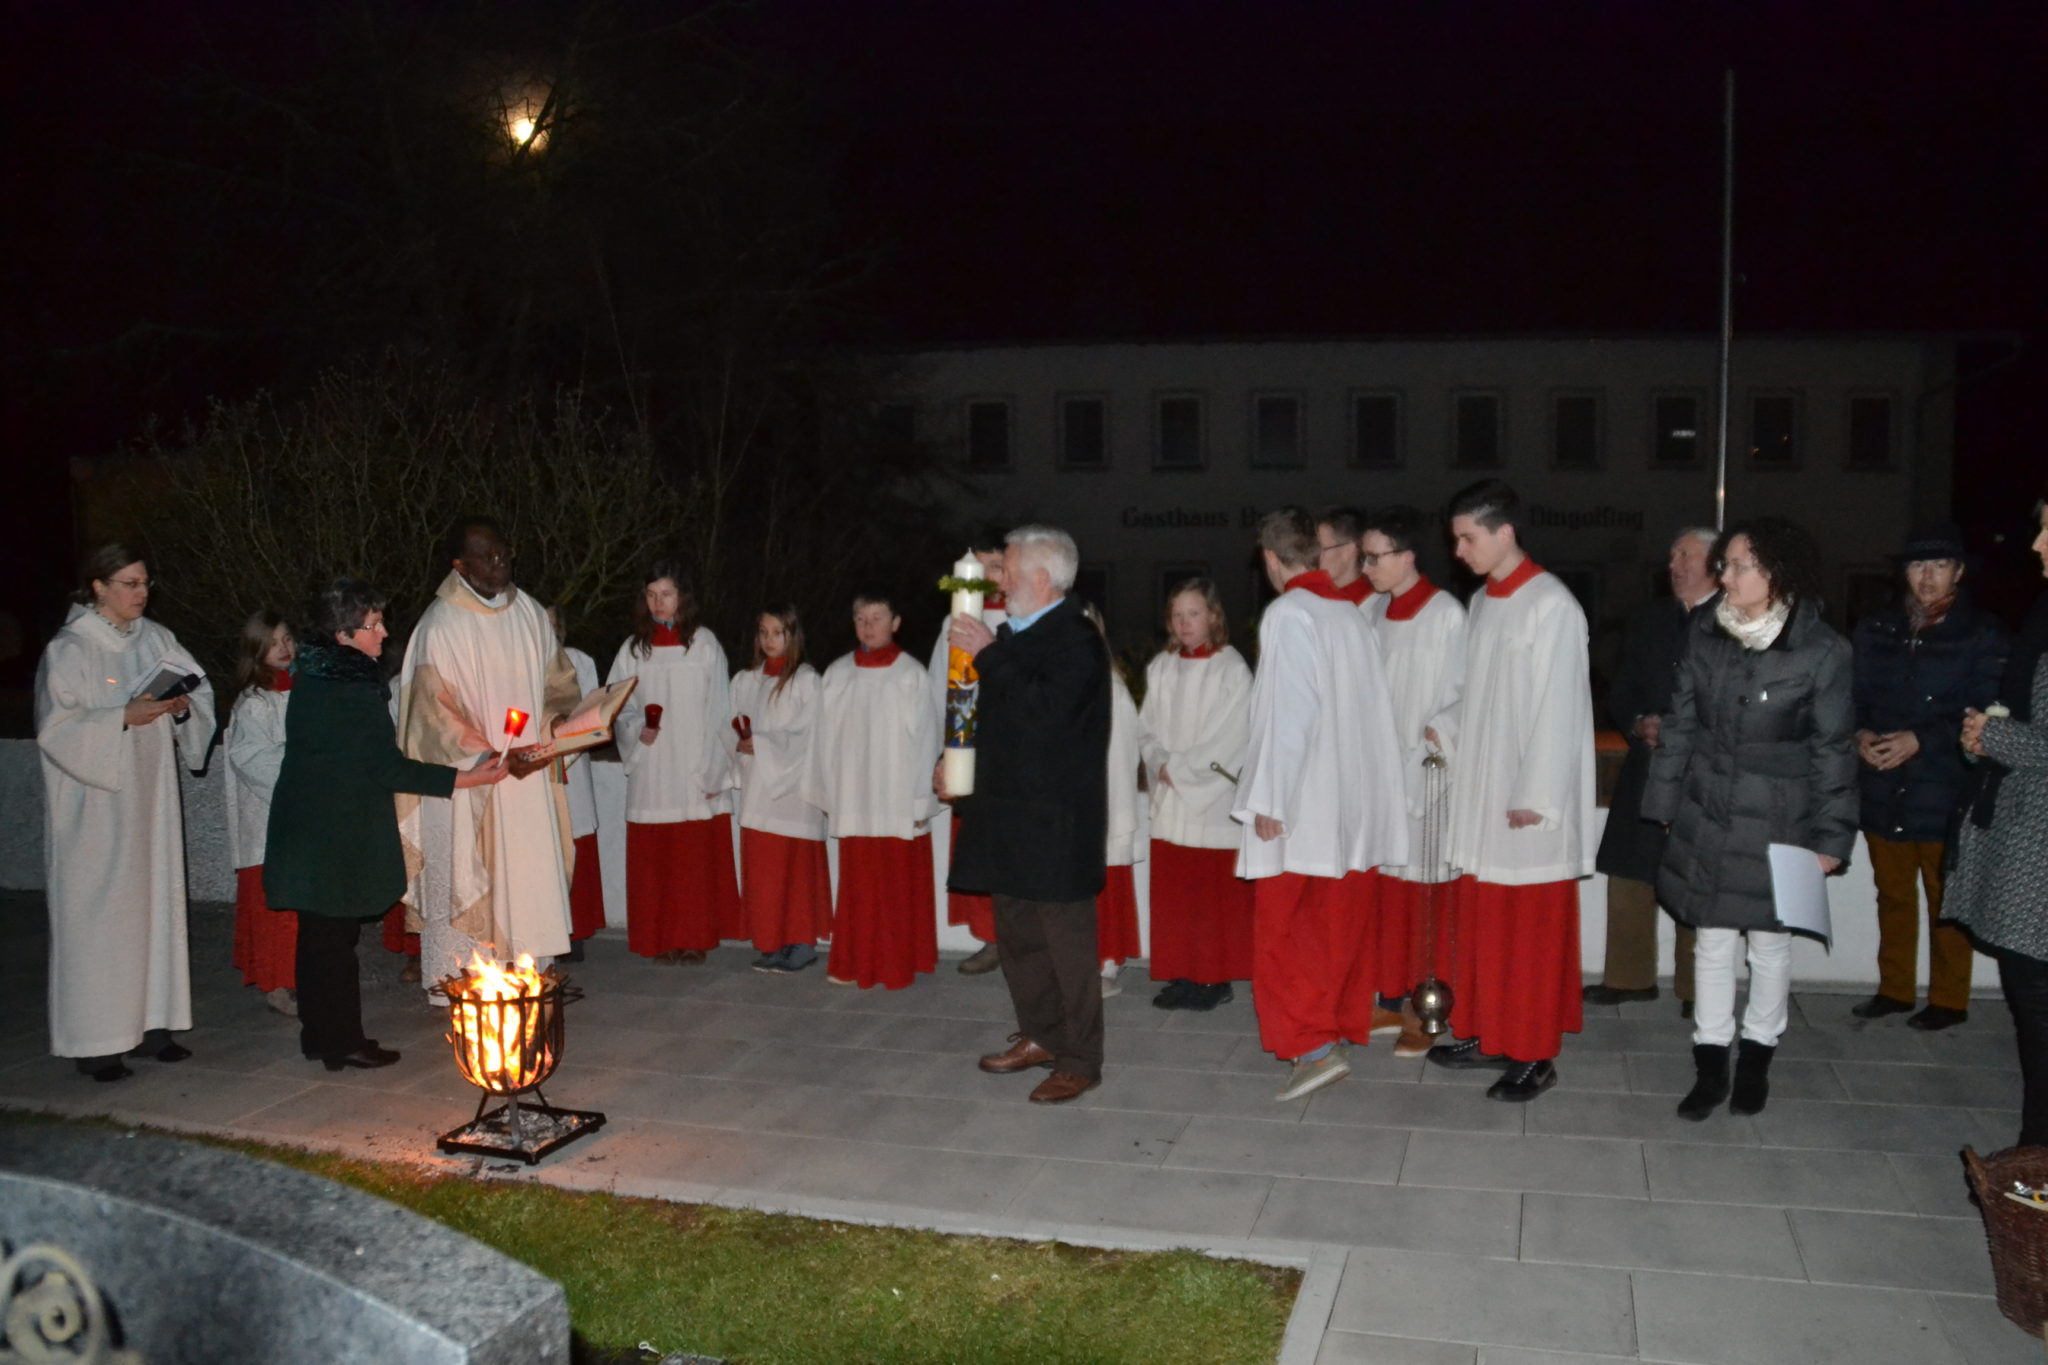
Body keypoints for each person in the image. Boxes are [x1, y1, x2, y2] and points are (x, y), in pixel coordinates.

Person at [1642, 518, 1856, 1120]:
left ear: (1777, 574)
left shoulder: (1823, 650)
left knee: (1769, 944)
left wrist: (1831, 838)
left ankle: (1757, 1058)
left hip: (1782, 820)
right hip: (1708, 808)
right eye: (1725, 564)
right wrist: (1664, 805)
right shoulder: (1705, 633)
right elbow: (1680, 724)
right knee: (1710, 941)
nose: (1725, 576)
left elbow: (1834, 750)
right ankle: (1711, 1065)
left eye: (1739, 566)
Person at [267, 579, 508, 1069]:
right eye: (373, 625)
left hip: (309, 823)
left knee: (319, 938)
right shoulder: (350, 688)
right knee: (334, 943)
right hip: (331, 832)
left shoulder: (315, 673)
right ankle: (343, 1043)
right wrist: (466, 778)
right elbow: (387, 768)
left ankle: (320, 1037)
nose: (384, 633)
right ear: (343, 636)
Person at [1429, 479, 1596, 1102]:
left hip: (1527, 804)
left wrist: (1536, 793)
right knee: (1485, 926)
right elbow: (1479, 693)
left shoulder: (1552, 604)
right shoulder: (1481, 603)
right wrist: (1445, 725)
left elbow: (1561, 708)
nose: (1459, 551)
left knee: (1527, 934)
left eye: (1468, 538)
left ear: (1505, 533)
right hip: (1484, 794)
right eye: (1455, 540)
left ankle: (1534, 1053)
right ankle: (1491, 1033)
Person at [1235, 507, 1409, 1102]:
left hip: (1303, 807)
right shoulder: (1349, 614)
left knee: (1288, 932)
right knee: (1334, 930)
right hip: (1349, 807)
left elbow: (1290, 712)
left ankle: (1310, 1048)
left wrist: (1270, 797)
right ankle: (1331, 1029)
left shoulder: (1291, 613)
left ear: (1271, 560)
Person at [36, 543, 215, 1081]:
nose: (142, 593)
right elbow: (56, 729)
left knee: (155, 907)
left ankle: (153, 1026)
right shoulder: (70, 649)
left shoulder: (157, 638)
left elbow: (200, 690)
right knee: (100, 920)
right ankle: (98, 1044)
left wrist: (181, 709)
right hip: (96, 810)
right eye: (130, 584)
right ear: (98, 587)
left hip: (150, 803)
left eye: (145, 583)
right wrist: (121, 717)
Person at [948, 526, 1112, 1104]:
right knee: (1019, 941)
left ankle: (1081, 1060)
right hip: (1009, 818)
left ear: (1042, 579)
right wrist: (955, 764)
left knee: (1068, 950)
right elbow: (995, 718)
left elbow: (1045, 716)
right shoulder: (1013, 635)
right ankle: (1041, 1035)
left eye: (1011, 572)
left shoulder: (1076, 639)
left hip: (1056, 825)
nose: (1002, 582)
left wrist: (990, 656)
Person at [396, 517, 581, 988]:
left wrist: (558, 725)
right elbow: (431, 714)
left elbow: (558, 685)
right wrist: (489, 759)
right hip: (473, 783)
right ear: (459, 565)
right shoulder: (440, 624)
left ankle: (530, 976)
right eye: (486, 555)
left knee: (529, 880)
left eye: (503, 553)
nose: (499, 563)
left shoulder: (531, 614)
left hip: (530, 775)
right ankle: (474, 986)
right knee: (473, 883)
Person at [1849, 521, 2007, 1029]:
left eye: (1940, 565)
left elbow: (1988, 706)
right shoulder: (1876, 629)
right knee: (1893, 894)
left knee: (1947, 899)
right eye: (1918, 565)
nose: (1928, 577)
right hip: (1883, 784)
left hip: (1947, 786)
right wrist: (1859, 735)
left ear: (1958, 572)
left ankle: (1949, 1000)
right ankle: (1894, 989)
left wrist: (1922, 739)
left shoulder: (1983, 633)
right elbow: (1851, 696)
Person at [1585, 529, 1717, 1016]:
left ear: (1716, 564)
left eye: (1685, 555)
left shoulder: (1733, 620)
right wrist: (1640, 721)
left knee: (1694, 874)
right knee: (1629, 868)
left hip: (1703, 769)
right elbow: (1622, 689)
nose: (1674, 565)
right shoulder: (1651, 619)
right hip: (1647, 763)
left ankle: (1696, 987)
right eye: (1672, 555)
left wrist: (1686, 729)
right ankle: (1629, 977)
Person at [1951, 497, 2048, 1145]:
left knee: (2037, 1006)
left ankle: (2037, 1159)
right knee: (2031, 1006)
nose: (2037, 544)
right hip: (2027, 827)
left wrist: (1996, 737)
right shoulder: (2044, 612)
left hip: (2039, 844)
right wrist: (1985, 734)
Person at [1358, 505, 1466, 1057]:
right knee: (1384, 894)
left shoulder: (1446, 614)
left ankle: (1426, 1010)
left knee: (1424, 895)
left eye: (1375, 557)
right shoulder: (1373, 611)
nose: (1366, 567)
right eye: (1364, 557)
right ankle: (1387, 995)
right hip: (1379, 774)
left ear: (1407, 557)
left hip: (1425, 774)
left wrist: (1437, 732)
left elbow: (1465, 693)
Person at [609, 561, 743, 964]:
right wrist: (637, 730)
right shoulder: (634, 650)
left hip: (691, 766)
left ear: (682, 596)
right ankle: (661, 938)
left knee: (691, 862)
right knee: (658, 862)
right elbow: (616, 706)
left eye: (666, 594)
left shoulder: (703, 645)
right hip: (652, 768)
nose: (658, 603)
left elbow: (720, 708)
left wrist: (714, 770)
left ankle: (694, 938)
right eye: (651, 595)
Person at [808, 589, 942, 989]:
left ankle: (895, 964)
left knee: (896, 886)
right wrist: (828, 794)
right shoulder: (837, 674)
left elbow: (926, 741)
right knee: (859, 886)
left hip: (897, 798)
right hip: (855, 796)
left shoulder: (911, 675)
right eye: (861, 619)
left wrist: (919, 801)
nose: (868, 627)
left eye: (877, 618)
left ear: (895, 623)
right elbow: (823, 739)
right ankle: (855, 960)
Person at [1139, 578, 1254, 1012]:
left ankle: (1213, 978)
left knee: (1209, 896)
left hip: (1211, 800)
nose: (1185, 623)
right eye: (1177, 615)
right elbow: (1144, 728)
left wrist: (1180, 770)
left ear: (1213, 616)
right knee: (1176, 894)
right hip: (1171, 797)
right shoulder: (1162, 666)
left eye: (1194, 614)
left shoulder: (1232, 669)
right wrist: (1158, 761)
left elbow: (1232, 736)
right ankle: (1183, 972)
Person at [731, 605, 831, 973]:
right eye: (764, 632)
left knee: (794, 872)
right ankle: (771, 941)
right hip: (758, 791)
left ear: (793, 635)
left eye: (778, 632)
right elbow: (730, 725)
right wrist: (740, 743)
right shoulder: (746, 681)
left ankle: (800, 943)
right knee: (765, 876)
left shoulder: (807, 681)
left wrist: (762, 743)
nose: (769, 640)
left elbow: (811, 735)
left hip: (794, 795)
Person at [927, 547, 1009, 975]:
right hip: (966, 745)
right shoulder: (954, 622)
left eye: (996, 565)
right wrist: (945, 751)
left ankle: (1017, 936)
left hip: (1008, 749)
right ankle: (990, 936)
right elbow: (940, 686)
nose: (987, 575)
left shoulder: (1020, 619)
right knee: (975, 843)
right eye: (981, 565)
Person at [226, 609, 299, 1016]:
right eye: (272, 643)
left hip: (305, 814)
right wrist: (301, 768)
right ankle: (278, 983)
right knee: (275, 907)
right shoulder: (254, 702)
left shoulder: (306, 689)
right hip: (270, 817)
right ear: (256, 649)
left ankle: (303, 975)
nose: (283, 648)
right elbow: (250, 757)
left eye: (287, 639)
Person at [1085, 603, 1145, 997]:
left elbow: (1123, 756)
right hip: (1070, 808)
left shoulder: (1113, 689)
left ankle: (1106, 960)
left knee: (1105, 884)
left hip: (1103, 803)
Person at [549, 606, 607, 962]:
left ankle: (577, 932)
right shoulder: (518, 662)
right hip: (538, 768)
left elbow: (593, 713)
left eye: (552, 624)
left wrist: (568, 734)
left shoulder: (579, 662)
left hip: (572, 765)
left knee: (576, 842)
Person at [1317, 506, 1372, 606]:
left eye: (1322, 549)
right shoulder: (1316, 594)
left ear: (1348, 551)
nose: (1314, 557)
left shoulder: (1370, 604)